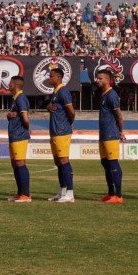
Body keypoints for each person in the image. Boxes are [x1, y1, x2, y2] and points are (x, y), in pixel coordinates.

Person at [96, 70, 125, 204]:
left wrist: (121, 131)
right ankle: (110, 193)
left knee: (113, 163)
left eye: (100, 78)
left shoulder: (112, 95)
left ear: (108, 80)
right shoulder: (103, 94)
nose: (97, 80)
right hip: (103, 134)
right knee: (105, 163)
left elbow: (118, 115)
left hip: (111, 134)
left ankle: (118, 195)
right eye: (97, 78)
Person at [46, 68, 76, 203]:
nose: (49, 78)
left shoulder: (63, 92)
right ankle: (63, 191)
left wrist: (66, 125)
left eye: (51, 76)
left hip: (61, 131)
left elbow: (72, 112)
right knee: (58, 162)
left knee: (64, 161)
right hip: (55, 131)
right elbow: (56, 108)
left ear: (58, 77)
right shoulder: (56, 91)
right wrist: (48, 107)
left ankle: (70, 193)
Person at [6, 76, 31, 203]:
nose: (8, 85)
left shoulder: (20, 98)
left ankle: (26, 194)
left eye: (10, 83)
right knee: (15, 163)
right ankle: (20, 193)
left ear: (15, 85)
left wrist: (25, 127)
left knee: (20, 163)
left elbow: (25, 118)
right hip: (14, 135)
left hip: (19, 135)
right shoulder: (15, 99)